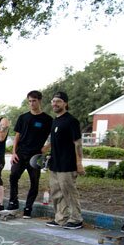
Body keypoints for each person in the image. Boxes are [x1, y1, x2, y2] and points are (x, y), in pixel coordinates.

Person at [7, 91, 53, 218]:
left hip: (36, 156)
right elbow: (17, 136)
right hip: (21, 153)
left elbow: (55, 136)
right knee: (13, 176)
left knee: (34, 182)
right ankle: (13, 203)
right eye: (30, 101)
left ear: (40, 101)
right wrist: (13, 152)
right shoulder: (23, 117)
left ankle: (28, 208)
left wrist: (47, 147)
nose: (32, 103)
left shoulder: (47, 119)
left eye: (34, 101)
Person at [44, 92, 85, 229]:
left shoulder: (71, 121)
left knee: (69, 192)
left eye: (59, 101)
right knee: (56, 192)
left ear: (65, 104)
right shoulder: (55, 120)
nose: (55, 104)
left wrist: (79, 163)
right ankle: (61, 218)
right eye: (53, 101)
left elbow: (77, 143)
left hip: (68, 164)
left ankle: (76, 219)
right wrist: (45, 149)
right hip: (55, 163)